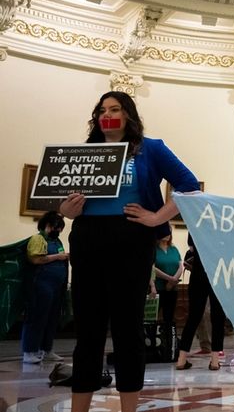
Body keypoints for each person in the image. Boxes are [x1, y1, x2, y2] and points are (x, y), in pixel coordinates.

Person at [59, 91, 199, 412]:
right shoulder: (86, 153)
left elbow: (188, 185)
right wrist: (67, 210)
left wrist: (156, 217)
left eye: (115, 109)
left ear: (128, 115)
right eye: (102, 110)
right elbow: (64, 201)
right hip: (87, 240)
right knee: (88, 331)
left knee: (128, 329)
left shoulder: (151, 149)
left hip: (131, 240)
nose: (107, 115)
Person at [21, 211, 68, 364]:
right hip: (41, 285)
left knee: (52, 319)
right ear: (47, 226)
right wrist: (58, 257)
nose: (59, 231)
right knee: (37, 318)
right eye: (56, 227)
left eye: (60, 228)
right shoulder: (37, 239)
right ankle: (29, 351)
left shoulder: (58, 242)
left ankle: (46, 349)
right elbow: (35, 259)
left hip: (56, 287)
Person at [175, 235, 226, 371]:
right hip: (218, 272)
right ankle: (215, 361)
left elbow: (191, 249)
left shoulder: (197, 222)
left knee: (193, 317)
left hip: (198, 272)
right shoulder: (222, 225)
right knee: (217, 316)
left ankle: (181, 359)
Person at [152, 234, 184, 326]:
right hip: (157, 288)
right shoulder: (154, 249)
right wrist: (170, 278)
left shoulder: (174, 249)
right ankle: (152, 338)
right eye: (165, 232)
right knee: (152, 317)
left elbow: (181, 266)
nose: (168, 234)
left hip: (172, 288)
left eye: (169, 232)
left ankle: (168, 338)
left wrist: (173, 280)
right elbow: (152, 267)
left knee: (169, 317)